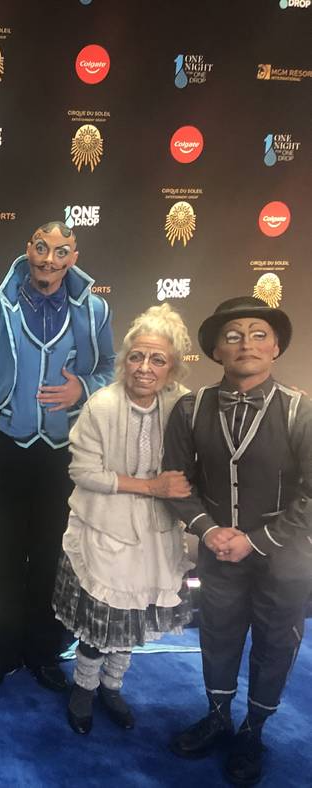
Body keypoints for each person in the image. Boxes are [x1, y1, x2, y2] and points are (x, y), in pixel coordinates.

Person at [164, 297, 312, 787]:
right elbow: (177, 481)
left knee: (274, 643)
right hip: (218, 549)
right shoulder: (190, 408)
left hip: (285, 556)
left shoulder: (300, 411)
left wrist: (258, 540)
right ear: (215, 351)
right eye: (232, 336)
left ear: (274, 348)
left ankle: (254, 729)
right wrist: (210, 531)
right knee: (218, 635)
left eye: (257, 334)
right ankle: (219, 715)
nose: (245, 343)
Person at [0, 221, 115, 692]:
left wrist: (83, 387)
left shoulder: (93, 311)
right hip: (9, 446)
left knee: (55, 553)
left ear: (74, 257)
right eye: (40, 247)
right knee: (5, 550)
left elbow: (109, 368)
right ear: (27, 250)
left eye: (60, 250)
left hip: (65, 452)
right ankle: (1, 651)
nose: (48, 259)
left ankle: (44, 652)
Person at [52, 304, 194, 735]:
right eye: (136, 356)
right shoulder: (102, 404)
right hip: (104, 530)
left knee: (132, 620)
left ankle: (113, 687)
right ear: (124, 360)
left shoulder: (183, 405)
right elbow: (83, 472)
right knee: (101, 621)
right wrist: (151, 487)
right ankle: (84, 688)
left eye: (157, 359)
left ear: (171, 368)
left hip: (156, 535)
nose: (144, 368)